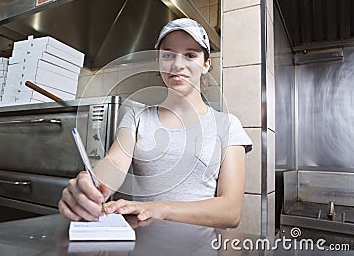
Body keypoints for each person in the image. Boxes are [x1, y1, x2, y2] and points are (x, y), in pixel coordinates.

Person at [58, 18, 252, 228]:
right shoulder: (137, 117)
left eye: (190, 55)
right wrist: (88, 185)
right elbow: (113, 167)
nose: (178, 65)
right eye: (168, 55)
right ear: (158, 62)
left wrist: (157, 208)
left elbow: (231, 212)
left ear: (206, 64)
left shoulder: (228, 125)